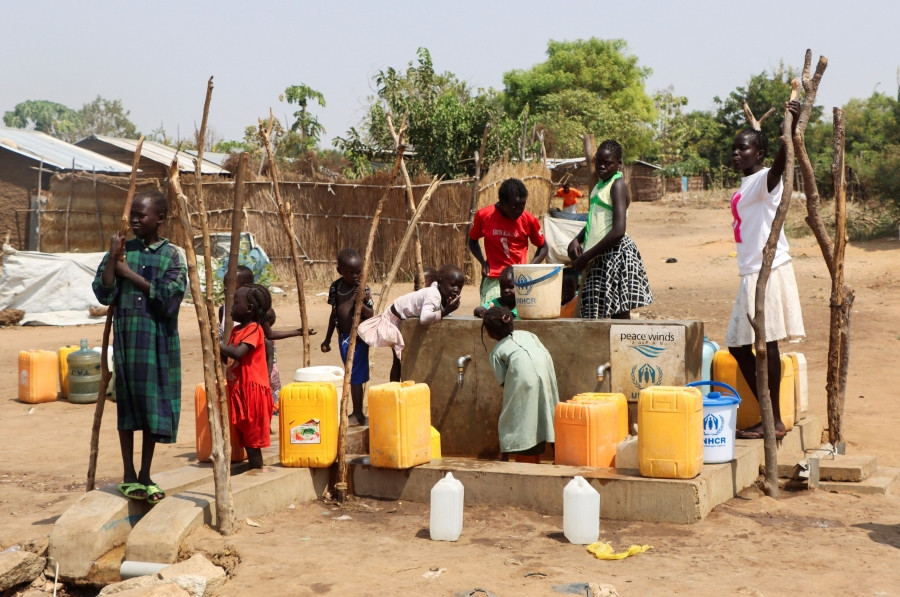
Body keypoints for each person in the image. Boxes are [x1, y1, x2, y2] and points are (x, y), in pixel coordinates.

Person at [92, 190, 187, 504]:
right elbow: (103, 292)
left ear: (159, 218)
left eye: (141, 215)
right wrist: (113, 258)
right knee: (128, 406)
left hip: (157, 340)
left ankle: (145, 473)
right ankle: (128, 473)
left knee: (151, 407)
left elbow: (170, 296)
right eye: (132, 214)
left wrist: (128, 274)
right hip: (128, 340)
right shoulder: (122, 250)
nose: (134, 219)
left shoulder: (172, 254)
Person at [728, 100, 805, 440]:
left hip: (767, 270)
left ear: (757, 154)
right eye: (734, 149)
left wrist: (788, 133)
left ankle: (771, 419)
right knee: (741, 345)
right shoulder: (745, 185)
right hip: (751, 271)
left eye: (742, 149)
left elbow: (777, 170)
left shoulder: (762, 180)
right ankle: (769, 415)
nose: (736, 154)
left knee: (765, 343)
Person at [567, 140, 653, 319]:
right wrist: (577, 239)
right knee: (599, 311)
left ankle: (624, 346)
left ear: (619, 164)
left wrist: (586, 256)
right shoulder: (599, 187)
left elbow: (618, 230)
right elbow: (595, 220)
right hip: (599, 255)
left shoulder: (617, 185)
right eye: (599, 162)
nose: (602, 166)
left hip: (615, 254)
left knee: (618, 313)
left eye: (608, 163)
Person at [358, 264, 464, 382]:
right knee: (399, 361)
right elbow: (424, 318)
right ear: (439, 282)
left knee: (408, 358)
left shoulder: (440, 292)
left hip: (403, 318)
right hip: (395, 319)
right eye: (453, 285)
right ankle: (395, 389)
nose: (456, 289)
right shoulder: (433, 294)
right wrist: (447, 310)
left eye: (460, 287)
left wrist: (446, 309)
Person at [482, 306, 559, 463]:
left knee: (515, 416)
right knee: (550, 411)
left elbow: (504, 381)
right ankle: (559, 456)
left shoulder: (497, 352)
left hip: (524, 379)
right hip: (546, 373)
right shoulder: (529, 335)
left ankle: (507, 456)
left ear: (490, 333)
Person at [468, 178, 548, 305]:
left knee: (518, 319)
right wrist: (483, 263)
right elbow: (472, 241)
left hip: (518, 279)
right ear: (502, 202)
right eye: (514, 206)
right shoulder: (484, 216)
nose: (518, 210)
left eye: (522, 206)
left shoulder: (529, 220)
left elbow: (543, 247)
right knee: (492, 315)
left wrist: (529, 268)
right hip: (493, 278)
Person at [219, 284, 274, 469]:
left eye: (235, 303)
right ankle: (253, 467)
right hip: (240, 392)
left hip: (252, 394)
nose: (231, 307)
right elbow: (228, 355)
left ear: (249, 309)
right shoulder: (236, 330)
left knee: (252, 442)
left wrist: (218, 345)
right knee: (246, 438)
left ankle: (256, 470)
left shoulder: (253, 329)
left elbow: (239, 353)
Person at [321, 248, 373, 426]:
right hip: (341, 336)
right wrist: (327, 339)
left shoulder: (363, 288)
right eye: (351, 272)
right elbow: (333, 313)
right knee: (350, 375)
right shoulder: (335, 287)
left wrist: (360, 301)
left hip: (357, 338)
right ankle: (357, 412)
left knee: (355, 376)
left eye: (359, 271)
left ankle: (358, 414)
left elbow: (371, 314)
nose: (356, 275)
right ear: (339, 271)